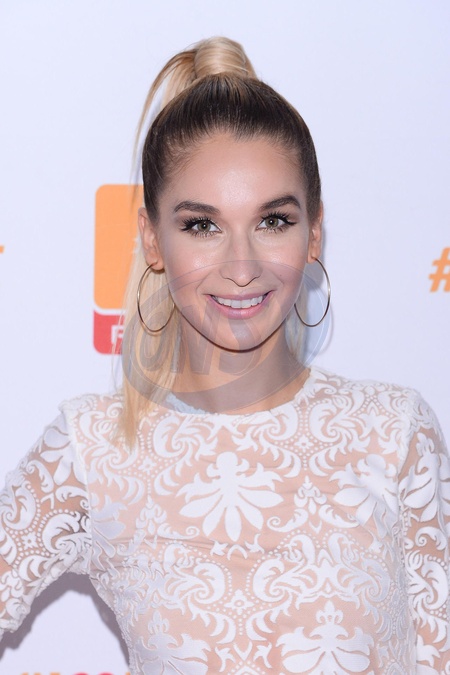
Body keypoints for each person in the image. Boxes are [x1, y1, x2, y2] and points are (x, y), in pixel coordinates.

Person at [0, 36, 449, 674]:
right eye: (201, 225)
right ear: (152, 239)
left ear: (314, 231)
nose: (241, 266)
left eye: (273, 221)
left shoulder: (394, 431)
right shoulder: (94, 448)